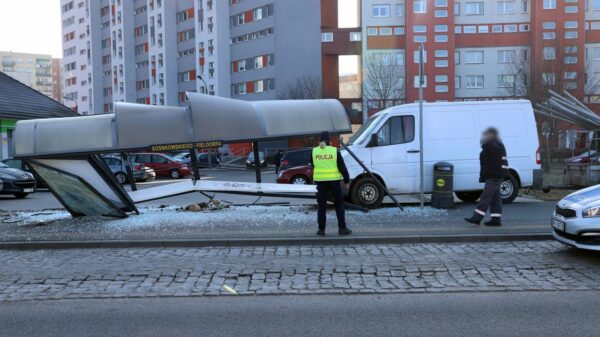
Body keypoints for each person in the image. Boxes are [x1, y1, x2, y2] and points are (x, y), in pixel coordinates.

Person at [310, 131, 352, 236]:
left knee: (322, 206)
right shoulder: (334, 151)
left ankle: (321, 230)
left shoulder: (314, 151)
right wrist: (346, 180)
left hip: (321, 183)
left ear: (320, 140)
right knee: (339, 205)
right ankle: (342, 229)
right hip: (334, 182)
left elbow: (312, 164)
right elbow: (342, 166)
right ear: (330, 141)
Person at [465, 127, 509, 226]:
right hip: (495, 174)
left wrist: (485, 142)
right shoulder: (495, 143)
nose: (485, 136)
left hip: (495, 175)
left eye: (487, 134)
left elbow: (490, 150)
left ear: (492, 134)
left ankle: (476, 218)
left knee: (486, 196)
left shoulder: (494, 143)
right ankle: (496, 219)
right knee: (495, 198)